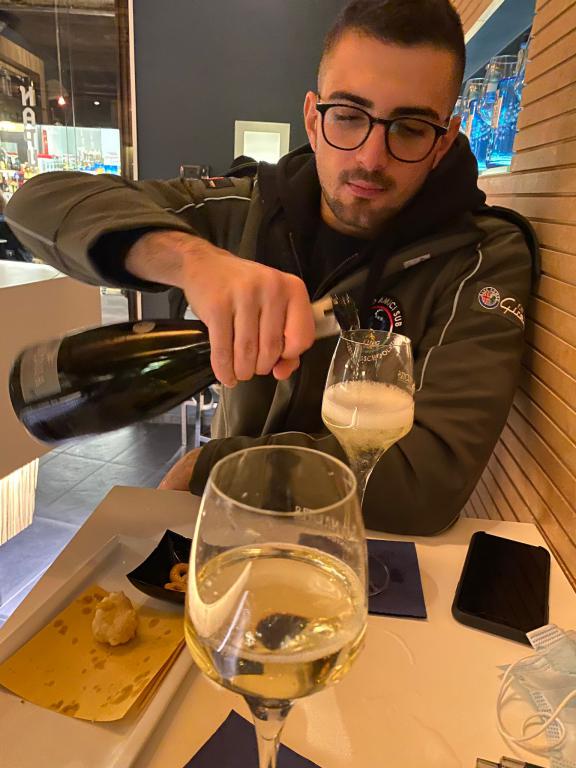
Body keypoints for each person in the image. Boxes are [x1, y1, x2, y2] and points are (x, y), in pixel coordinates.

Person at [5, 0, 537, 535]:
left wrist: (219, 466)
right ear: (313, 118)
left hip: (365, 553)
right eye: (348, 115)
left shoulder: (483, 257)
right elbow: (37, 204)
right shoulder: (245, 207)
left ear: (443, 141)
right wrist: (193, 261)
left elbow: (428, 482)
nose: (371, 157)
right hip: (232, 539)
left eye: (411, 128)